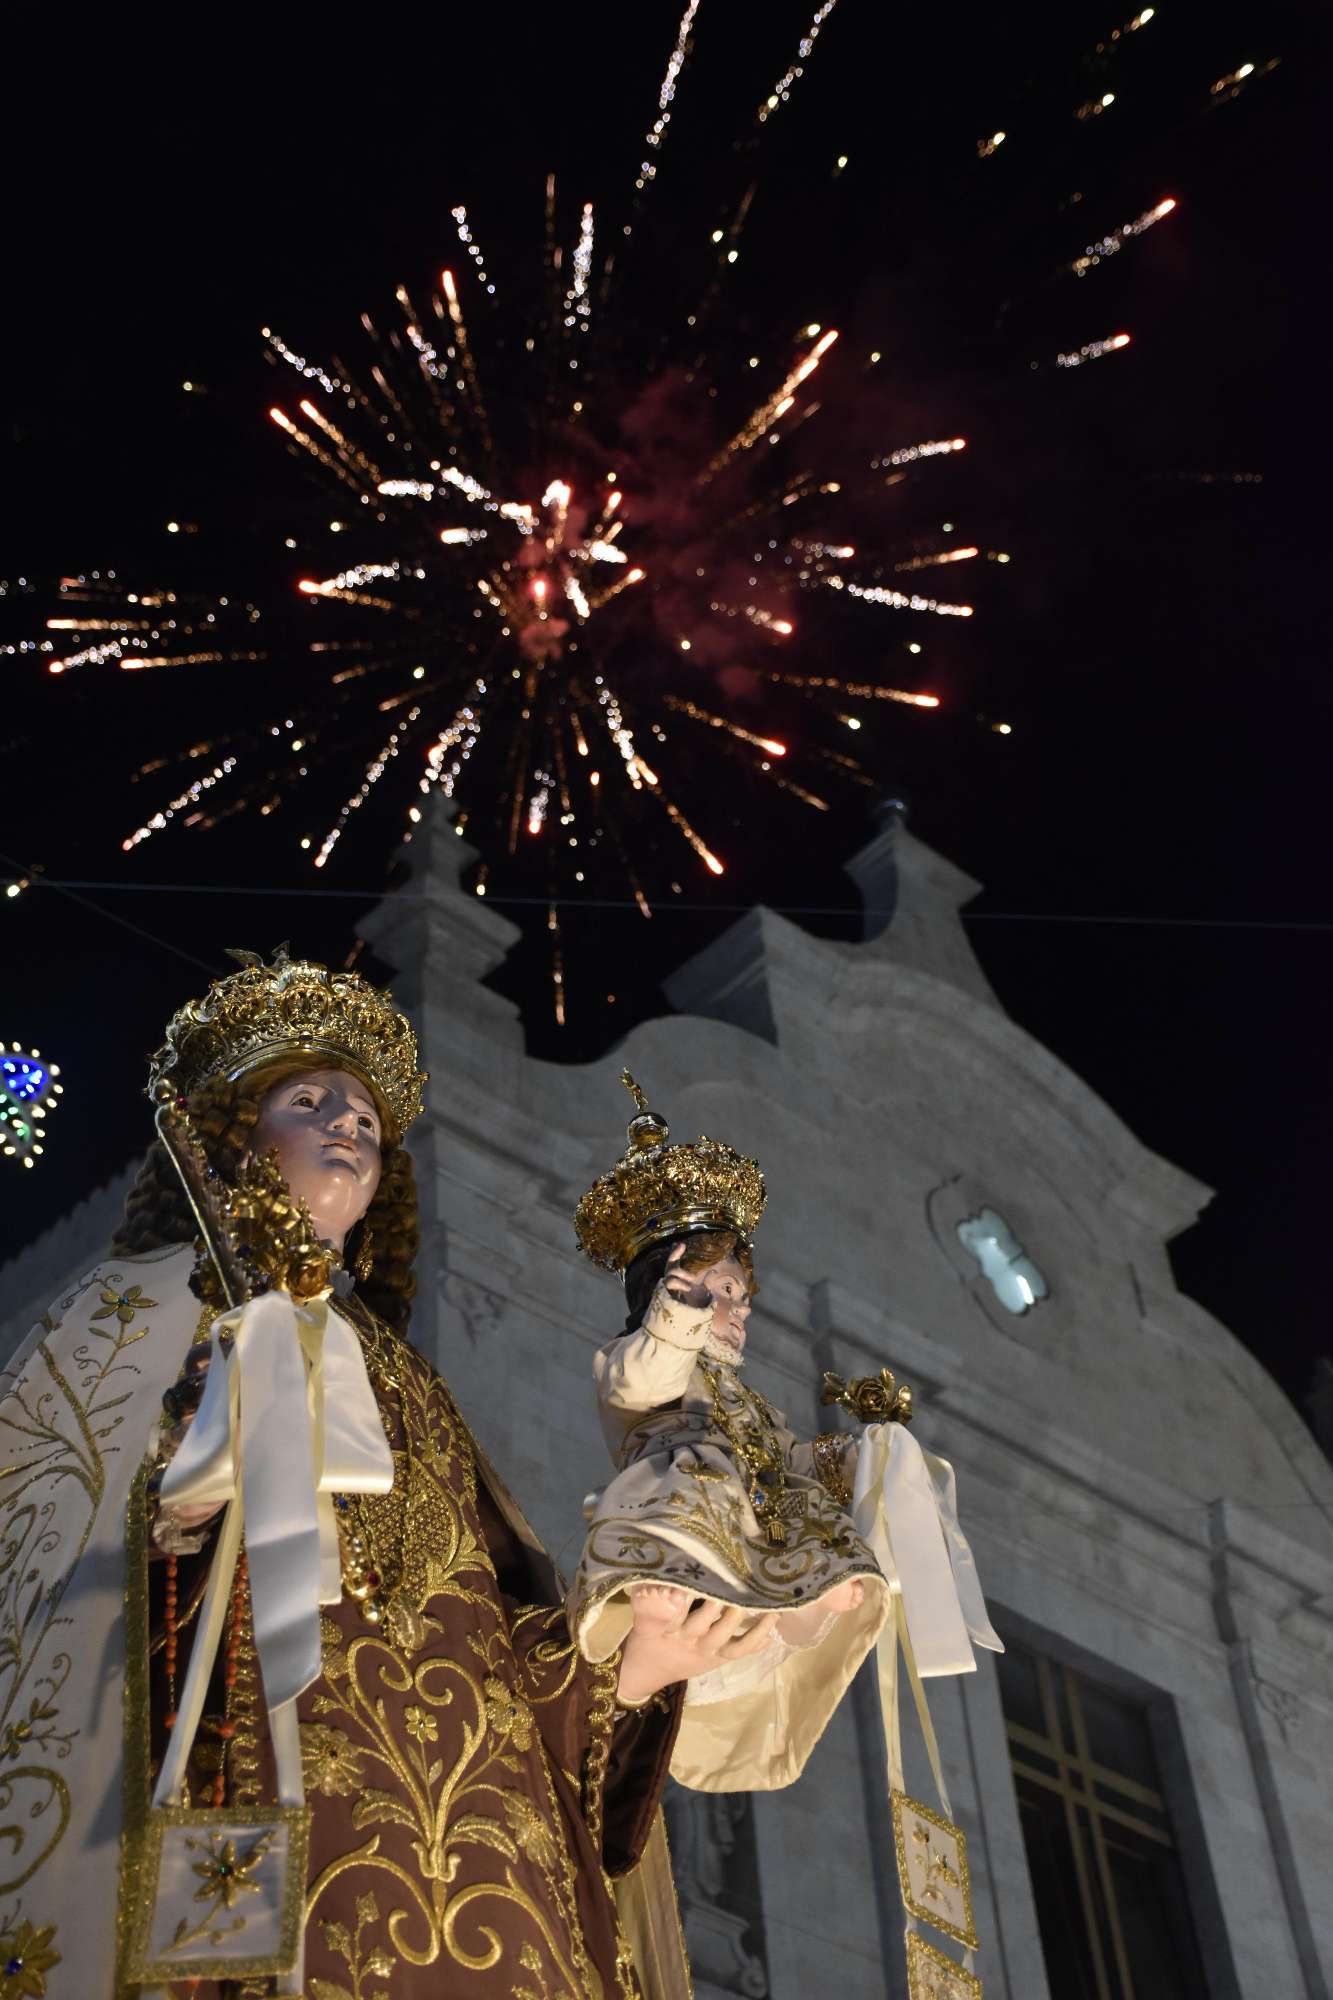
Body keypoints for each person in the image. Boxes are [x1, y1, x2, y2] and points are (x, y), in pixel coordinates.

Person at [0, 953, 777, 1998]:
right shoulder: (130, 1308)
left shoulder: (408, 1379)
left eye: (366, 1122)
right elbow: (57, 1534)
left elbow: (481, 1627)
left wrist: (623, 1665)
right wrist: (204, 1447)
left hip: (493, 1861)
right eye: (308, 1100)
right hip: (265, 1794)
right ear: (230, 1134)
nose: (346, 1130)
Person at [568, 1077, 890, 1792]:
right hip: (674, 1508)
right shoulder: (641, 1362)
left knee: (787, 1496)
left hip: (744, 1522)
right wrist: (678, 1309)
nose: (737, 1311)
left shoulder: (745, 1399)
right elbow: (641, 1381)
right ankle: (665, 1588)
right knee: (698, 1477)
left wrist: (848, 1457)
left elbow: (781, 1457)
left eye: (741, 1296)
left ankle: (793, 1598)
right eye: (720, 1290)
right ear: (668, 1289)